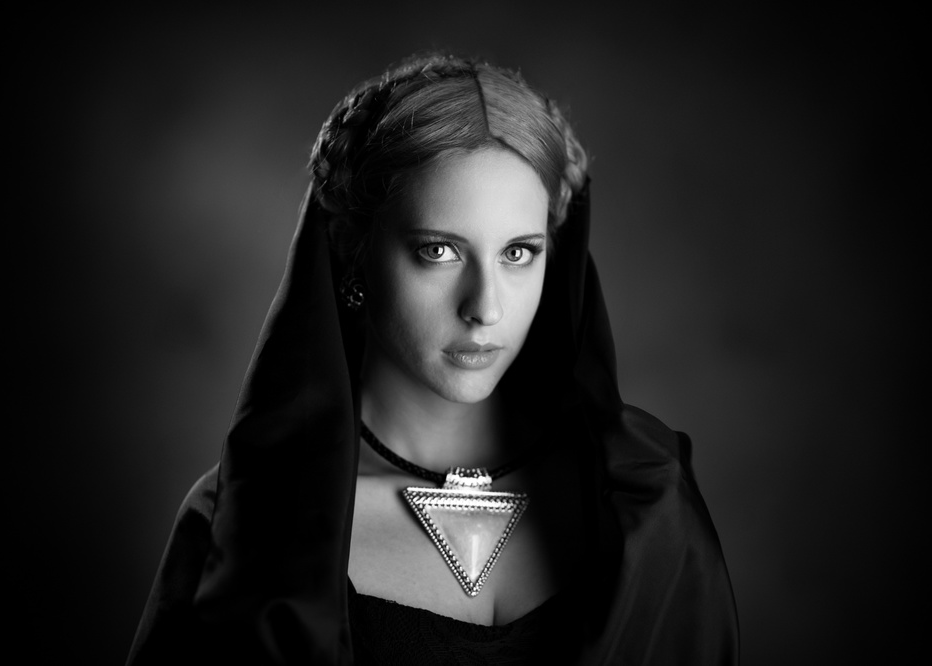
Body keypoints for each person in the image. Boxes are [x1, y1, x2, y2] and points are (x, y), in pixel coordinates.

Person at [127, 53, 739, 665]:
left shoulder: (648, 505)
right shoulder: (247, 529)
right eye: (439, 250)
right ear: (353, 251)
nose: (485, 308)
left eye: (518, 254)